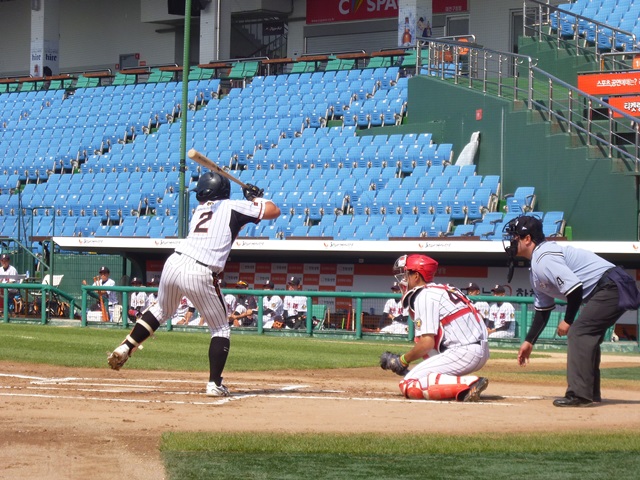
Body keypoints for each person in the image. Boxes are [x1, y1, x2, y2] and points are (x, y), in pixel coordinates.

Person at [107, 172, 280, 397]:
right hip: (201, 268)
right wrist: (256, 198)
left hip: (176, 260)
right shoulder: (232, 205)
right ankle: (214, 384)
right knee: (221, 328)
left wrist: (250, 200)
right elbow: (273, 211)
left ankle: (125, 347)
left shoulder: (200, 210)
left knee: (161, 309)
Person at [504, 214, 640, 407]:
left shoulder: (544, 258)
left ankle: (579, 394)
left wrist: (568, 321)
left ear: (527, 239)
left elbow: (575, 289)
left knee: (579, 332)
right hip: (607, 287)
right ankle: (590, 393)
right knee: (586, 335)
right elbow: (543, 310)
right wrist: (529, 341)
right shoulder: (537, 266)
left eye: (514, 236)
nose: (510, 241)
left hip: (611, 286)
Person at [379, 254, 490, 402]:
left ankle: (469, 383)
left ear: (416, 276)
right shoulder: (444, 289)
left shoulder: (424, 295)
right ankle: (458, 383)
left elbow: (427, 343)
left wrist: (402, 360)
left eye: (406, 274)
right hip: (475, 349)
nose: (403, 280)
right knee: (421, 370)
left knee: (409, 384)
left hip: (464, 352)